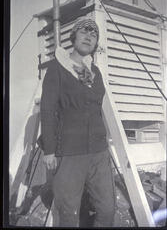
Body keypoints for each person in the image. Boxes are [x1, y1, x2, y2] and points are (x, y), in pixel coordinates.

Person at [40, 18, 116, 227]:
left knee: (107, 210)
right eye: (84, 32)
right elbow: (47, 110)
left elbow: (93, 103)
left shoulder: (92, 72)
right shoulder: (58, 68)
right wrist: (49, 150)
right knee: (68, 213)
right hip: (70, 153)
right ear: (73, 37)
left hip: (98, 152)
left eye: (93, 35)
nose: (89, 37)